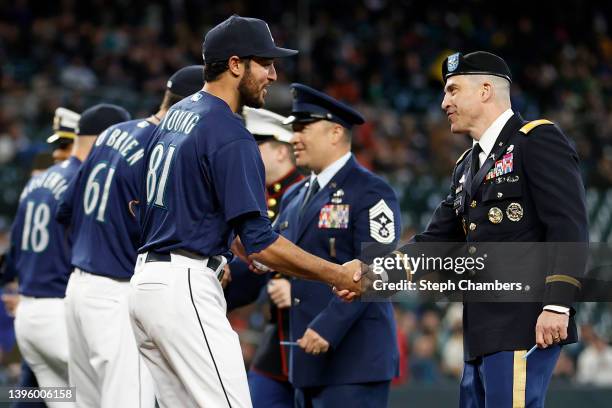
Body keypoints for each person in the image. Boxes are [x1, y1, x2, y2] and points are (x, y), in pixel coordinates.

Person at [129, 14, 361, 408]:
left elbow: (142, 205)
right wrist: (337, 273)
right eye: (265, 63)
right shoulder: (229, 131)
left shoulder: (175, 117)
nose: (272, 74)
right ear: (235, 65)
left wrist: (227, 244)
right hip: (185, 286)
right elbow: (262, 244)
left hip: (145, 285)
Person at [341, 51, 588, 407]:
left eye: (453, 90)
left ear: (485, 90)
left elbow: (569, 225)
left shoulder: (536, 140)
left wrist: (558, 306)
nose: (444, 102)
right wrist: (375, 272)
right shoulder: (466, 166)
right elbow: (434, 241)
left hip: (523, 325)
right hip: (480, 333)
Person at [56, 67, 203, 408]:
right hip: (117, 293)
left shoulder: (111, 133)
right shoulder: (162, 148)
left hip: (77, 290)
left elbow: (66, 208)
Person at [269, 83, 399, 407]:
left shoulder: (371, 191)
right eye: (292, 129)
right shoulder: (294, 195)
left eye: (303, 128)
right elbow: (271, 254)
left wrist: (328, 326)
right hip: (306, 362)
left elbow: (378, 271)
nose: (293, 137)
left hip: (353, 360)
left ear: (335, 132)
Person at [2, 105, 96, 408]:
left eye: (62, 145)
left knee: (38, 395)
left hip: (30, 317)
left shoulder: (34, 182)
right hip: (60, 315)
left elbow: (12, 256)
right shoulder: (81, 181)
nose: (57, 153)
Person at [225, 107, 304, 408]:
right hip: (277, 331)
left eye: (257, 144)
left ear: (282, 152)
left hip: (308, 325)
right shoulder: (256, 193)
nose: (249, 151)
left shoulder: (301, 194)